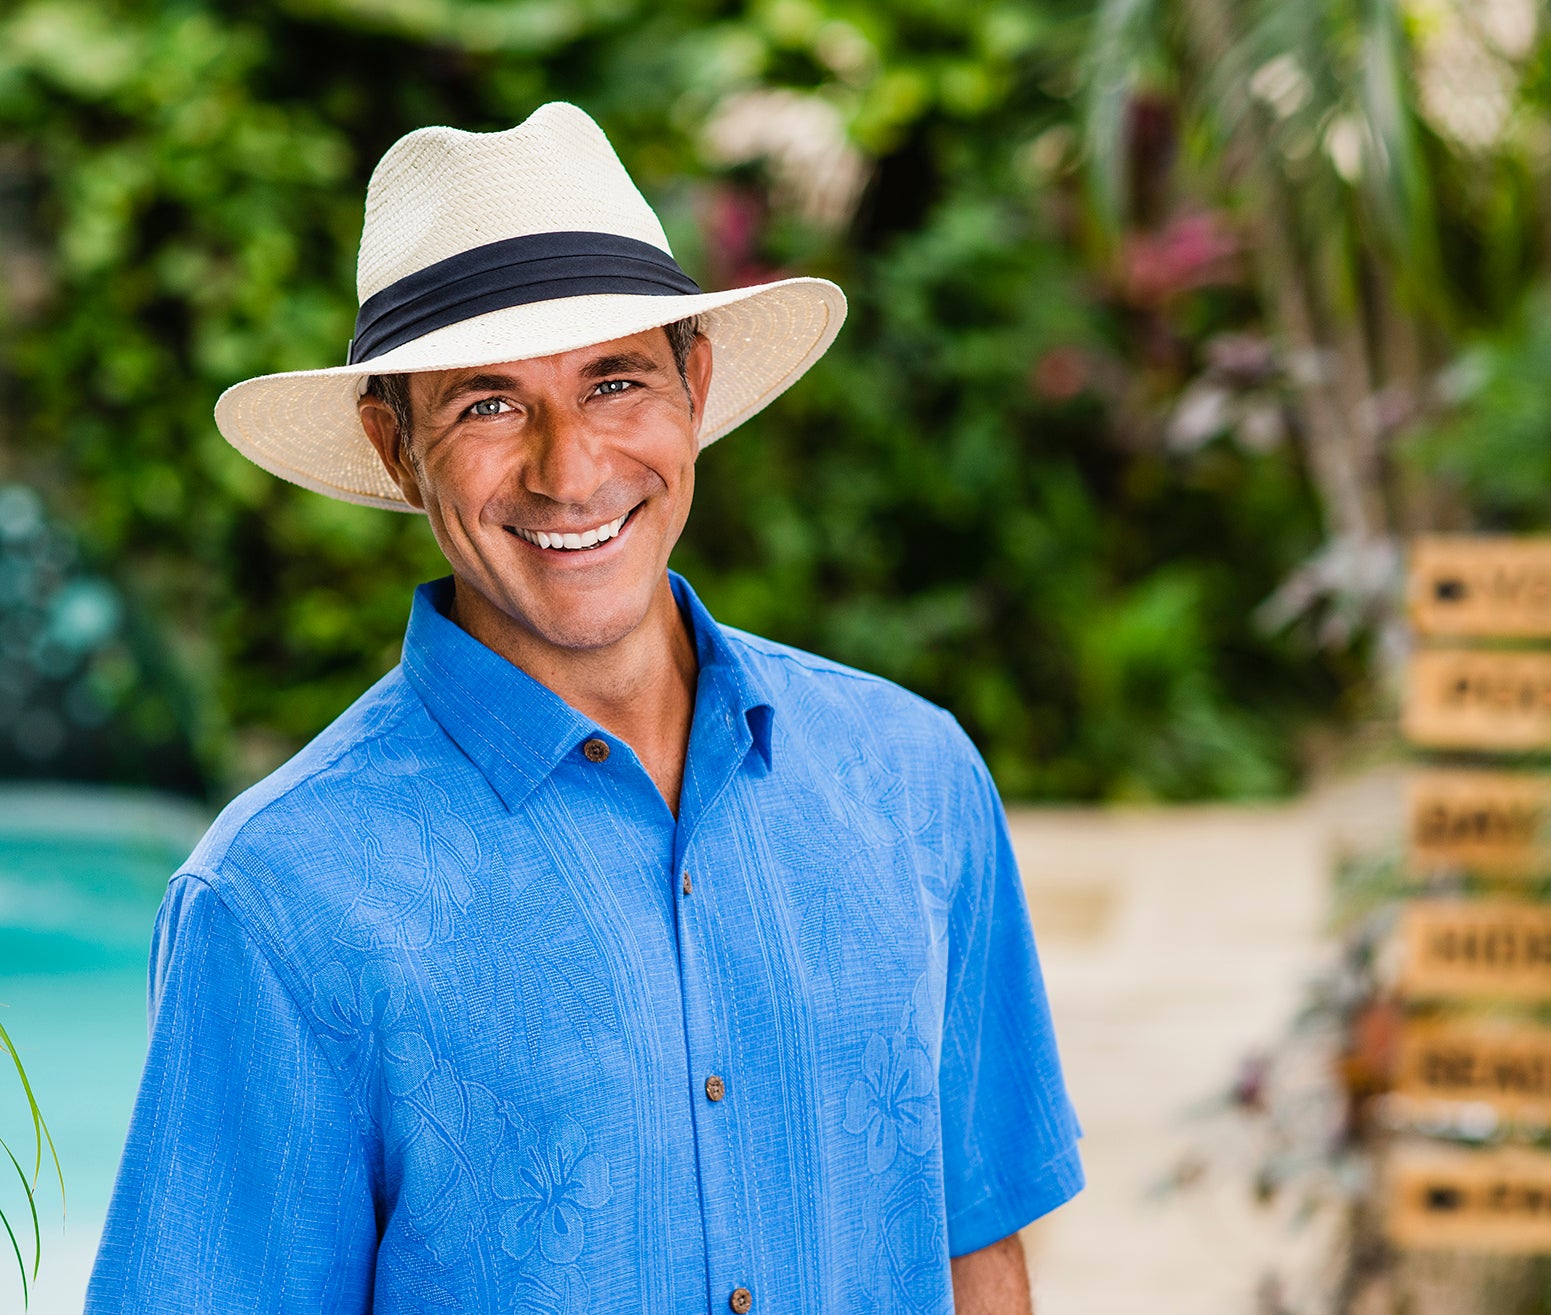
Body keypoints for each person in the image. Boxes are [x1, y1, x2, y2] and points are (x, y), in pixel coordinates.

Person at [85, 102, 1082, 1315]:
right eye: (487, 404)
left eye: (613, 380)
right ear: (393, 447)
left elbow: (977, 1253)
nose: (571, 468)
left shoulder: (911, 782)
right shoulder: (279, 899)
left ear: (694, 385)